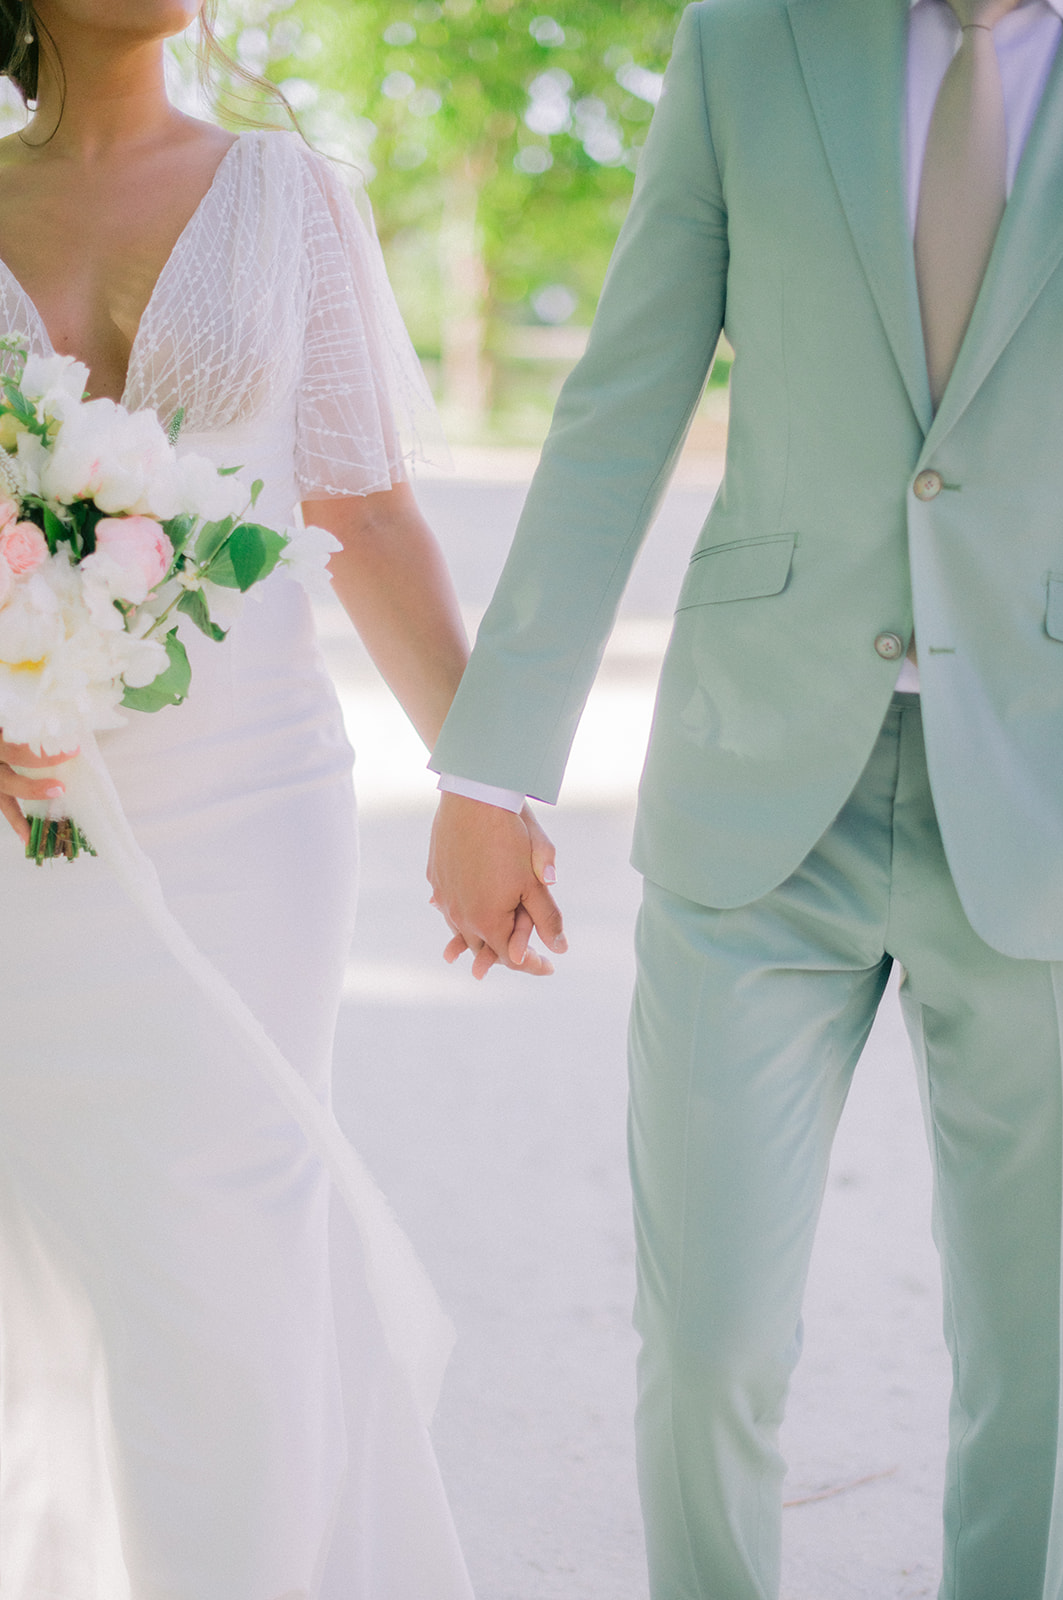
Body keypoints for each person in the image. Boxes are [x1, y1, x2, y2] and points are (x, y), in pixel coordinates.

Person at [427, 1, 1063, 1596]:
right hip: (762, 790)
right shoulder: (752, 37)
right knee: (707, 1340)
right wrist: (492, 766)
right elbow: (624, 395)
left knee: (1043, 1373)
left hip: (1050, 791)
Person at [0, 1, 541, 1594]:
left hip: (254, 807)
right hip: (32, 818)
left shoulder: (287, 192)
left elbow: (366, 518)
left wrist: (484, 779)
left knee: (235, 1219)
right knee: (77, 1235)